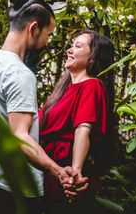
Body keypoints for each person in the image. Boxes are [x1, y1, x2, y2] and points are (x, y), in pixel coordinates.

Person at [0, 0, 85, 214]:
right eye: (48, 34)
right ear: (33, 28)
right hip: (15, 193)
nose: (47, 41)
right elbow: (20, 136)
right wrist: (57, 171)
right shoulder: (19, 73)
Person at [39, 29, 115, 213]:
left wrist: (75, 173)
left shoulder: (92, 85)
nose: (69, 50)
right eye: (72, 45)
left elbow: (83, 129)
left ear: (93, 56)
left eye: (78, 46)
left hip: (66, 172)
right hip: (48, 169)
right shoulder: (61, 90)